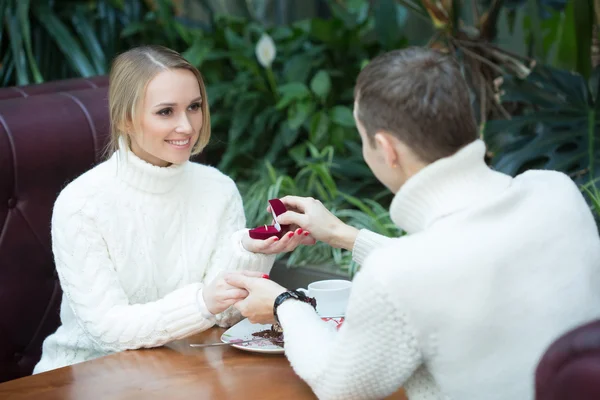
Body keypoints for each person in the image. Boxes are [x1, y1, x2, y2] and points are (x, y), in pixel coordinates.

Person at [225, 47, 600, 400]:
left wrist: (283, 303)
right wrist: (344, 235)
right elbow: (459, 265)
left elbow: (339, 384)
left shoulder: (400, 274)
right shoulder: (556, 192)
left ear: (386, 149)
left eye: (362, 138)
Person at [33, 45, 313, 374]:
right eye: (166, 112)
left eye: (194, 107)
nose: (187, 126)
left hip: (188, 369)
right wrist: (200, 303)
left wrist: (249, 251)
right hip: (88, 376)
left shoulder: (218, 189)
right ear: (125, 118)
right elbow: (106, 330)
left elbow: (223, 316)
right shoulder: (81, 203)